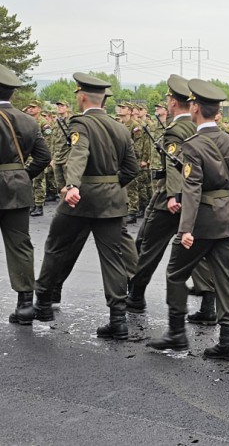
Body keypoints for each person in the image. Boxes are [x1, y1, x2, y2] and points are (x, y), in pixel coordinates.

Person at [147, 79, 229, 360]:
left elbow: (192, 188)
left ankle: (176, 333)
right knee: (225, 278)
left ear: (195, 107)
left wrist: (186, 228)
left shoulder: (192, 145)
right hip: (228, 219)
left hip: (201, 223)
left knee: (175, 273)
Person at [33, 73, 139, 339]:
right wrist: (112, 185)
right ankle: (118, 320)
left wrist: (73, 185)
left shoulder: (80, 123)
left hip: (80, 199)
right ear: (103, 100)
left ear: (81, 97)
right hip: (112, 200)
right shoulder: (120, 128)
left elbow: (79, 154)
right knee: (113, 259)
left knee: (56, 248)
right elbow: (132, 169)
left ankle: (44, 304)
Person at [125, 75, 215, 319]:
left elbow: (176, 167)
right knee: (196, 249)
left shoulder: (175, 129)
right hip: (198, 197)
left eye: (167, 99)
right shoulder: (199, 126)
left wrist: (174, 195)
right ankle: (208, 305)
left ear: (173, 102)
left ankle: (136, 295)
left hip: (171, 199)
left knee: (149, 246)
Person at [0, 64, 51, 325]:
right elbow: (44, 156)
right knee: (20, 245)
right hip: (17, 187)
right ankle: (25, 305)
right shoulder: (29, 120)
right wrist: (23, 176)